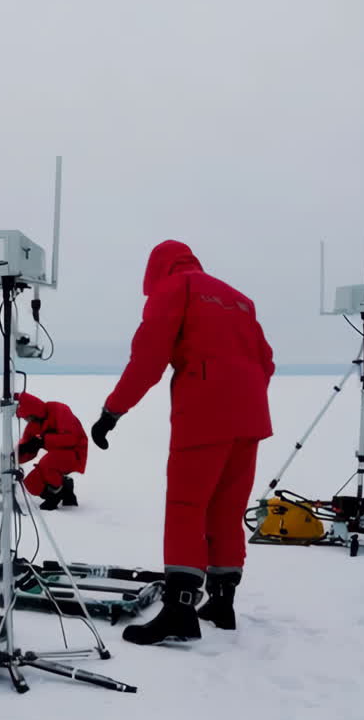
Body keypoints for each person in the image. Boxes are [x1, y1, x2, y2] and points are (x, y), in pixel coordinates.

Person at [91, 240, 273, 643]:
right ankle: (222, 603)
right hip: (252, 415)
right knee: (226, 509)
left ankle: (179, 609)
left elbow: (148, 357)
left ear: (155, 269)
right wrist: (244, 392)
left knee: (186, 507)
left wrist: (112, 412)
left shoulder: (176, 289)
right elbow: (266, 360)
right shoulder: (240, 300)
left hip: (206, 413)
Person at [16, 392, 88, 510]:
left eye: (26, 417)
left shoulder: (59, 410)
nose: (26, 420)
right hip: (56, 455)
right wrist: (19, 453)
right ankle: (66, 489)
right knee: (31, 483)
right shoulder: (33, 425)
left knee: (48, 463)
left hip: (75, 452)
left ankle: (55, 495)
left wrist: (43, 440)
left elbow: (72, 438)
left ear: (32, 411)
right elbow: (28, 445)